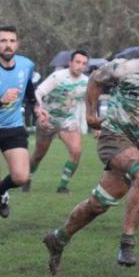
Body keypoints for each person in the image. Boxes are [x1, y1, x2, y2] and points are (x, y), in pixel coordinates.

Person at [43, 42, 139, 274]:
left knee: (99, 204)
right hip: (115, 137)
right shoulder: (124, 68)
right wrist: (91, 114)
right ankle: (127, 244)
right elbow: (95, 80)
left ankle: (58, 238)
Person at [0, 25, 44, 235]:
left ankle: (3, 193)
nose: (8, 45)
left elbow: (28, 88)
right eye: (3, 41)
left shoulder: (26, 65)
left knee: (22, 177)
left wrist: (37, 106)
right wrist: (1, 101)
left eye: (12, 41)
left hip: (13, 127)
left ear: (17, 44)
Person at [25, 50, 89, 194]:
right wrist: (39, 112)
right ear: (70, 63)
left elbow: (90, 102)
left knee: (76, 151)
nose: (80, 66)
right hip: (48, 119)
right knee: (39, 155)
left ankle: (62, 186)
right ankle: (27, 178)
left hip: (67, 120)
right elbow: (38, 93)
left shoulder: (86, 82)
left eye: (84, 63)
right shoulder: (57, 77)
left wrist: (95, 124)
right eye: (78, 62)